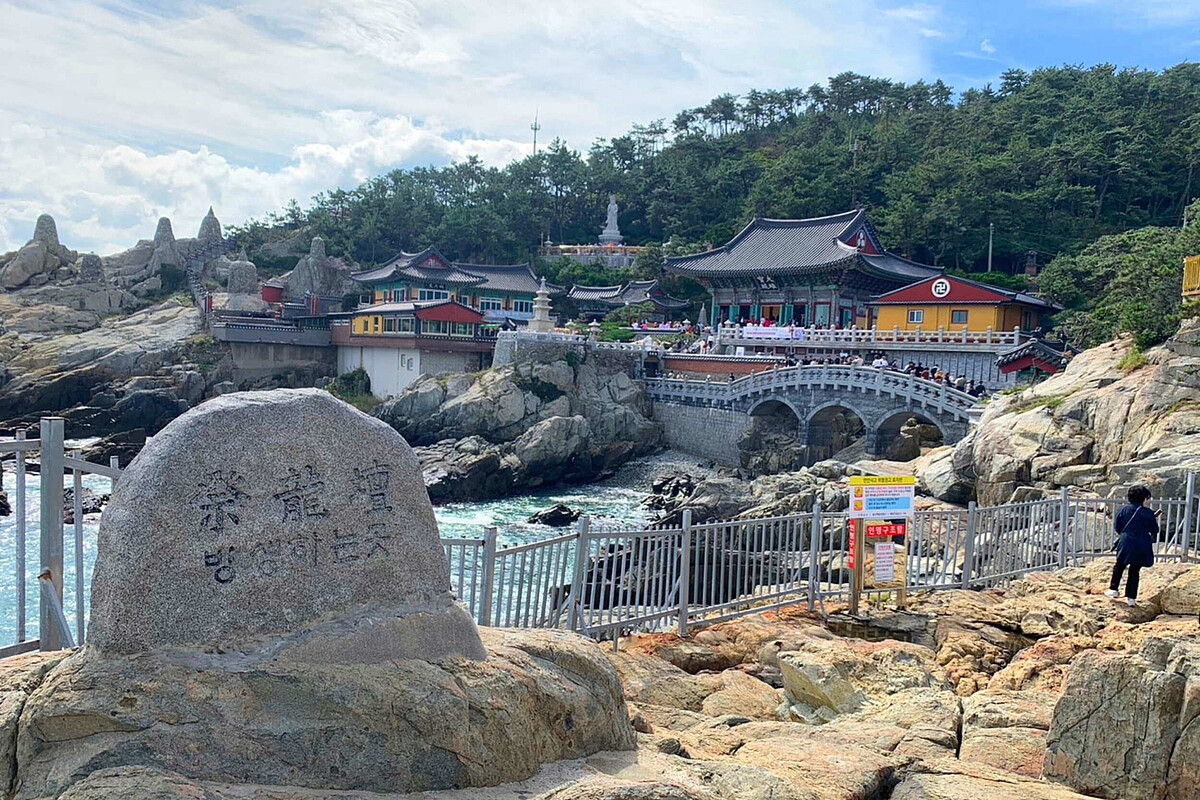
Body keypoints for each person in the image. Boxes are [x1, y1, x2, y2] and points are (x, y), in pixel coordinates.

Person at [1107, 484, 1159, 606]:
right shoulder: (1148, 513)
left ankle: (1113, 590)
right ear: (1144, 498)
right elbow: (1154, 530)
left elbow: (1118, 526)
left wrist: (1126, 534)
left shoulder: (1124, 510)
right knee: (1134, 570)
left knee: (1119, 565)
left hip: (1126, 541)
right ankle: (1131, 598)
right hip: (1142, 543)